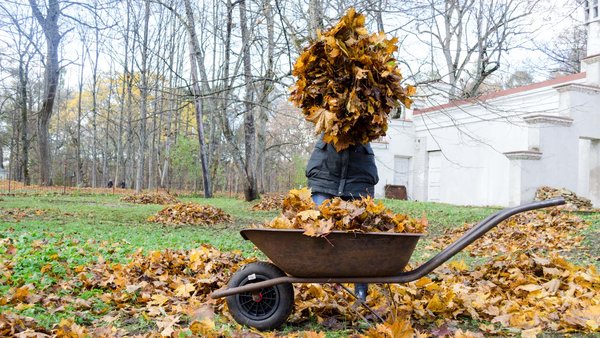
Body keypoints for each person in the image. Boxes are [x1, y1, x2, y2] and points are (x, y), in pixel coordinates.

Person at [305, 133, 379, 302]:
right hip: (325, 173)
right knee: (318, 232)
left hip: (359, 176)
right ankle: (317, 289)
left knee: (360, 236)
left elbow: (392, 112)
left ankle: (361, 292)